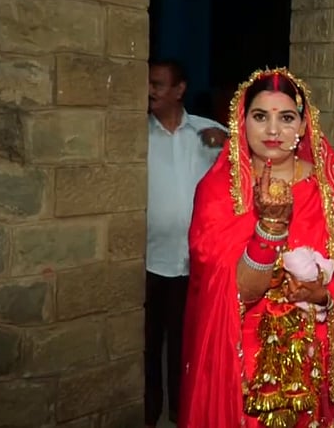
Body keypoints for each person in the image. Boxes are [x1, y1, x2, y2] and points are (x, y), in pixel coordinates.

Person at [178, 68, 334, 428]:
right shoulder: (218, 191)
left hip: (314, 356)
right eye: (260, 116)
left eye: (286, 118)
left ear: (302, 126)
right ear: (242, 121)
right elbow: (231, 291)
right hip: (241, 362)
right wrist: (269, 230)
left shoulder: (328, 188)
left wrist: (323, 296)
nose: (272, 130)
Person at [145, 59, 228, 427]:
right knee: (147, 344)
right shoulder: (135, 134)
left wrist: (227, 143)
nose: (150, 91)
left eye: (158, 84)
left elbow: (249, 157)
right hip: (149, 259)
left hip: (193, 262)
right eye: (149, 84)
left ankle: (181, 413)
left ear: (179, 90)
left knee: (185, 344)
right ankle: (148, 413)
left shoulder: (208, 132)